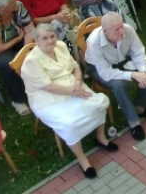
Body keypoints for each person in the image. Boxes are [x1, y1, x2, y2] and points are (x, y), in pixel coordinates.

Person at [21, 24, 114, 178]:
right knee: (69, 124)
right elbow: (49, 87)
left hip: (72, 86)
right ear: (36, 41)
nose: (50, 41)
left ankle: (101, 137)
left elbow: (76, 67)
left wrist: (78, 83)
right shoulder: (31, 62)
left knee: (99, 103)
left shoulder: (61, 46)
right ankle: (83, 160)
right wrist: (75, 91)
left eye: (52, 36)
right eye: (45, 38)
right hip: (46, 98)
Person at [84, 12, 146, 141]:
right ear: (105, 31)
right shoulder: (94, 41)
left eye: (121, 25)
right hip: (98, 68)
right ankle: (134, 122)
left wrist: (143, 73)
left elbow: (139, 53)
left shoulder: (128, 30)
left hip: (121, 59)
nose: (122, 30)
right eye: (117, 29)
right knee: (119, 84)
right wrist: (134, 74)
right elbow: (105, 72)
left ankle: (140, 108)